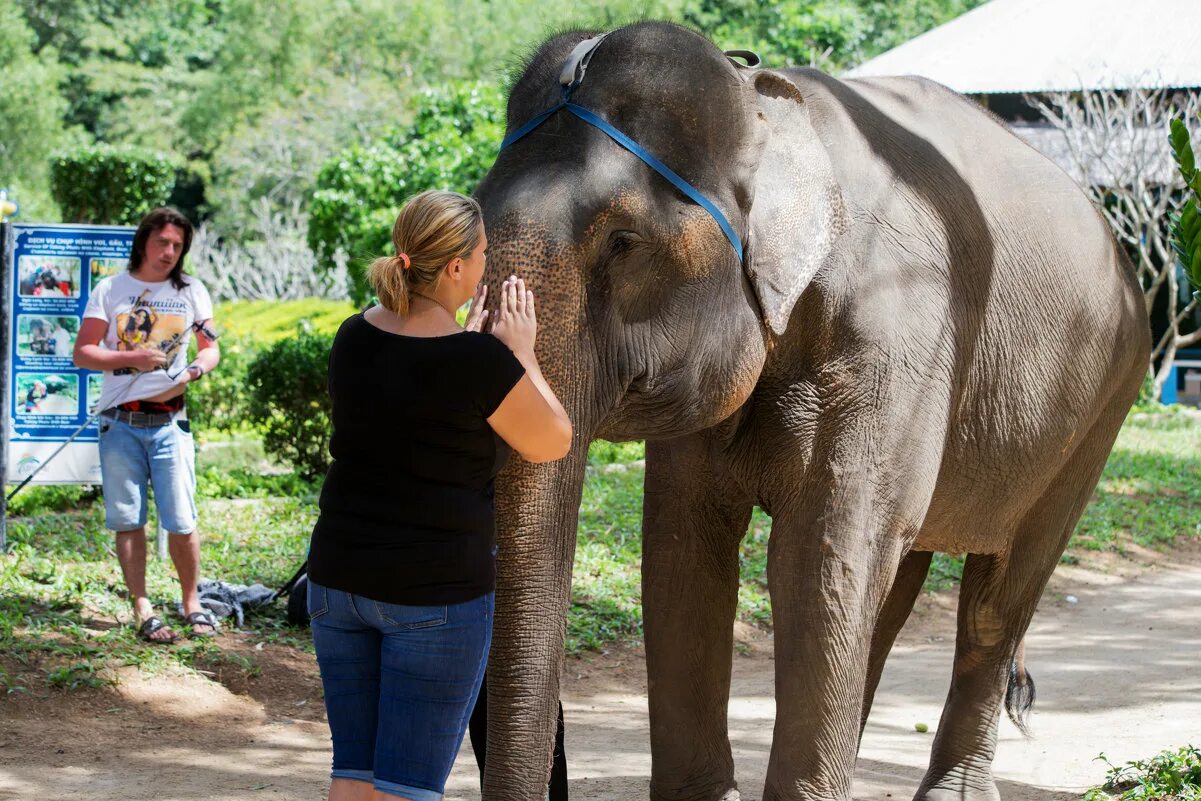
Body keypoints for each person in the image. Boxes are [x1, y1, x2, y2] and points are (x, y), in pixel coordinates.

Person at [306, 189, 572, 801]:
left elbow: (411, 400)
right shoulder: (478, 361)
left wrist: (470, 348)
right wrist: (521, 357)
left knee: (354, 776)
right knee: (407, 787)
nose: (486, 264)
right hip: (435, 599)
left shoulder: (353, 336)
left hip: (339, 583)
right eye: (482, 254)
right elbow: (552, 441)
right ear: (455, 268)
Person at [72, 207, 220, 644]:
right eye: (162, 243)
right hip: (119, 424)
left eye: (178, 245)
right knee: (127, 518)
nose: (170, 252)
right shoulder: (111, 289)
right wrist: (131, 357)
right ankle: (143, 608)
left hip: (171, 422)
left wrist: (194, 370)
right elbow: (83, 352)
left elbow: (210, 349)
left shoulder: (191, 290)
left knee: (181, 517)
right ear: (143, 242)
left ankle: (191, 603)